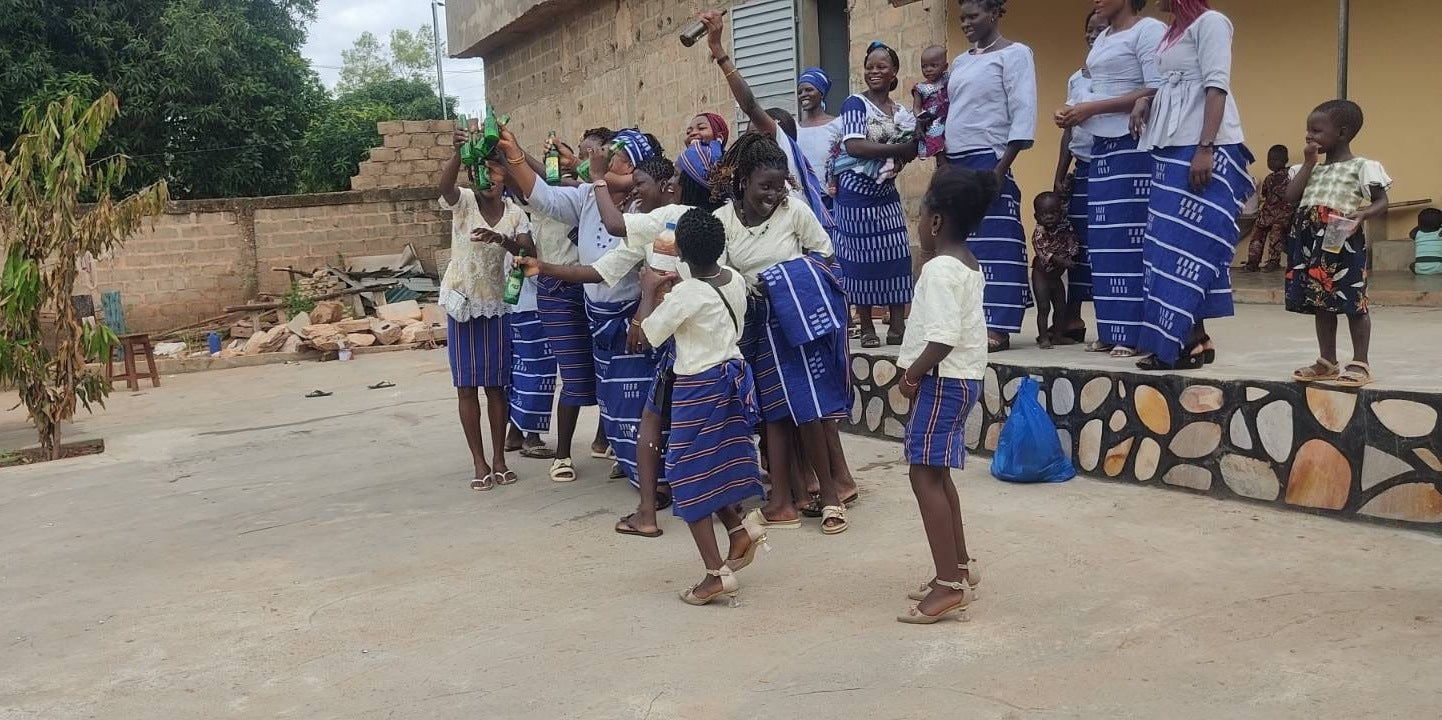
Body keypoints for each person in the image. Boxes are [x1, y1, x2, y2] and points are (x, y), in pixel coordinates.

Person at [516, 154, 685, 537]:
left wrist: (595, 179)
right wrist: (544, 268)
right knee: (632, 409)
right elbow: (601, 269)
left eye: (639, 179)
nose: (637, 190)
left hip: (667, 329)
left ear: (666, 187)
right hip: (627, 323)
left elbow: (658, 280)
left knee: (656, 410)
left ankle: (660, 493)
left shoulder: (670, 219)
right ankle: (657, 483)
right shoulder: (637, 225)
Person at [498, 124, 668, 489]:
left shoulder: (644, 210)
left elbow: (604, 270)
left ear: (635, 169)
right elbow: (544, 197)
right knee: (611, 397)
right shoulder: (590, 196)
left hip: (633, 317)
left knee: (637, 398)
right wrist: (514, 153)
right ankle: (629, 462)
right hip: (598, 317)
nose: (605, 161)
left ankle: (650, 478)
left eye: (617, 159)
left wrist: (544, 267)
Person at [706, 132, 852, 534]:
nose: (773, 194)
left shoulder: (796, 211)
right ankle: (784, 499)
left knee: (808, 408)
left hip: (796, 323)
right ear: (743, 181)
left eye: (780, 184)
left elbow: (824, 254)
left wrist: (785, 279)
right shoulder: (723, 221)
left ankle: (831, 498)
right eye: (764, 186)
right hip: (754, 324)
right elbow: (717, 274)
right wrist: (745, 284)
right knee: (773, 413)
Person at [636, 208, 769, 606]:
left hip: (698, 387)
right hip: (730, 379)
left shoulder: (689, 293)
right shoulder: (732, 280)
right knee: (713, 466)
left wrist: (649, 291)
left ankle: (715, 575)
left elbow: (649, 335)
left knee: (685, 475)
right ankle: (739, 529)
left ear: (680, 254)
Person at [895, 167, 996, 624]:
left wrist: (912, 376)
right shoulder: (967, 262)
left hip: (941, 380)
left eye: (921, 215)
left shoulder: (939, 270)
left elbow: (940, 339)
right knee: (939, 475)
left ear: (935, 222)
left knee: (923, 477)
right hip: (963, 380)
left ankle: (948, 585)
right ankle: (959, 565)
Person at [1129, 0, 1252, 370]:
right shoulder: (1171, 31)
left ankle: (1180, 344)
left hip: (1201, 145)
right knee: (1166, 248)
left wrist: (1205, 148)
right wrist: (1143, 100)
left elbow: (1216, 86)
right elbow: (1172, 84)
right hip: (1169, 144)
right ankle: (1195, 337)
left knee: (1189, 247)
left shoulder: (1211, 23)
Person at [1056, 0, 1166, 358]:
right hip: (1101, 147)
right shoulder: (1103, 36)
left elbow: (1156, 88)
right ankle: (1111, 327)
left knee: (1130, 240)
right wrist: (1075, 110)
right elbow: (1096, 89)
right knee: (1104, 243)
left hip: (1133, 145)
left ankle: (1135, 333)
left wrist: (1093, 108)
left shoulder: (1147, 30)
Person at [438, 134, 537, 491]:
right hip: (463, 304)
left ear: (504, 178)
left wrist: (503, 242)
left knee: (497, 387)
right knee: (467, 387)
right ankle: (479, 461)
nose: (490, 179)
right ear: (473, 175)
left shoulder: (514, 213)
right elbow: (443, 185)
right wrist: (455, 152)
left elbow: (528, 250)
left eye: (496, 172)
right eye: (483, 172)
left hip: (496, 306)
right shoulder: (463, 202)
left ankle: (499, 459)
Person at [945, 0, 1038, 353]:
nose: (966, 23)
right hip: (957, 162)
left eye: (973, 16)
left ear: (995, 13)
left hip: (990, 158)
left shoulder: (1016, 54)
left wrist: (1001, 168)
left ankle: (997, 326)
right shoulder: (961, 61)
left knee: (996, 244)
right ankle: (968, 324)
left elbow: (1023, 110)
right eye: (962, 18)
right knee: (962, 245)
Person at [524, 127, 614, 482]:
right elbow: (540, 185)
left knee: (611, 369)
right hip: (558, 288)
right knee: (575, 374)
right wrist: (514, 152)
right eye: (579, 151)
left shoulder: (596, 193)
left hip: (597, 289)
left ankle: (609, 442)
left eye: (587, 153)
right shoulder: (563, 195)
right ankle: (562, 454)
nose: (573, 160)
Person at [1285, 100, 1390, 388]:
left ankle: (1360, 361)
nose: (1309, 136)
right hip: (1310, 241)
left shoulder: (1362, 166)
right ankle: (1327, 361)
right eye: (1307, 130)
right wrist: (1308, 163)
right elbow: (1290, 197)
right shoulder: (1308, 169)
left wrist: (1364, 213)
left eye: (1317, 130)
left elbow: (1382, 201)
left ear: (1342, 133)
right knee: (1322, 302)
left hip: (1342, 238)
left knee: (1353, 301)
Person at [700, 11, 833, 228]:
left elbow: (750, 106)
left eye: (759, 134)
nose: (753, 142)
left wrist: (719, 51)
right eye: (749, 135)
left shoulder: (786, 154)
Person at [834, 41, 918, 348]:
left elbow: (912, 151)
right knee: (859, 259)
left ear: (894, 71)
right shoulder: (855, 103)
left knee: (896, 253)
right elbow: (854, 145)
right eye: (870, 66)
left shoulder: (901, 112)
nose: (874, 71)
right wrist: (899, 149)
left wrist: (905, 153)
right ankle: (867, 325)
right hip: (855, 193)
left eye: (881, 66)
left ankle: (897, 325)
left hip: (885, 191)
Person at [1053, 9, 1110, 344]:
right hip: (1083, 170)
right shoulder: (1076, 78)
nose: (1093, 35)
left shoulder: (1119, 78)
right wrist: (1060, 173)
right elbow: (1069, 130)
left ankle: (1111, 323)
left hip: (1110, 168)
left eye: (1100, 29)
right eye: (1089, 30)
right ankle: (1072, 319)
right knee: (1075, 245)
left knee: (1106, 249)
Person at [1029, 191, 1079, 349]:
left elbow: (1072, 241)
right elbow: (1046, 254)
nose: (1049, 217)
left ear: (1061, 212)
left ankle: (1057, 336)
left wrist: (1072, 254)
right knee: (1044, 307)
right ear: (1037, 217)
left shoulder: (1065, 226)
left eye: (1053, 213)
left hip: (1056, 277)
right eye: (1044, 214)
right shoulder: (1038, 233)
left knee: (1061, 307)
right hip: (1041, 275)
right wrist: (1064, 262)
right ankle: (1043, 337)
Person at [1242, 144, 1295, 273]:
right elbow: (1265, 195)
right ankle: (1252, 262)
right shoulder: (1269, 178)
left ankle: (1273, 261)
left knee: (1276, 235)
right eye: (1269, 159)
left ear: (1285, 160)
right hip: (1267, 213)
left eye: (1276, 159)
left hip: (1283, 214)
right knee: (1257, 233)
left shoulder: (1291, 176)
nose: (1272, 162)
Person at [796, 67, 840, 199]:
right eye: (800, 91)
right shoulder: (795, 129)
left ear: (821, 93)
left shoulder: (838, 125)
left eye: (809, 89)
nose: (803, 94)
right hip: (804, 199)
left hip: (831, 199)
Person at [913, 45, 950, 163]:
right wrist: (920, 118)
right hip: (934, 121)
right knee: (938, 142)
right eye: (924, 66)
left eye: (933, 65)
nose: (928, 69)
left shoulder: (948, 79)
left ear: (945, 67)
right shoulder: (920, 88)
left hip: (950, 117)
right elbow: (916, 107)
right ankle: (943, 167)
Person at [1411, 209, 1442, 276]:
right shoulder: (1440, 233)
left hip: (1420, 269)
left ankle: (1420, 271)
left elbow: (1411, 233)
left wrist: (1421, 225)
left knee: (1412, 265)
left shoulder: (1416, 234)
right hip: (1439, 267)